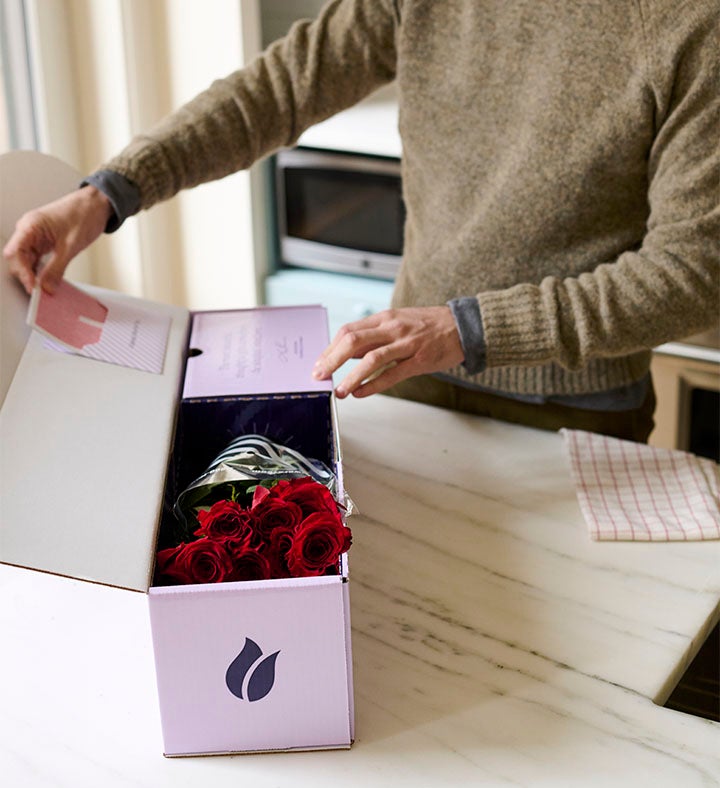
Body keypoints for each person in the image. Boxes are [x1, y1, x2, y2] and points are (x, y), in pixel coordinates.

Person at [4, 0, 718, 443]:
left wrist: (467, 329)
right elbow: (280, 88)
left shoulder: (693, 24)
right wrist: (109, 191)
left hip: (575, 407)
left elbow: (693, 272)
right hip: (412, 379)